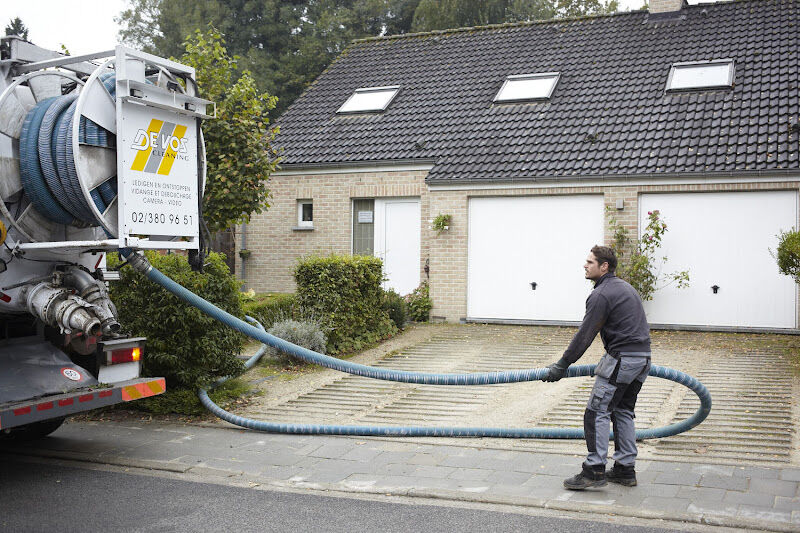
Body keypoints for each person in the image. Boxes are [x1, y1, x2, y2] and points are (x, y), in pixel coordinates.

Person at [542, 245, 651, 490]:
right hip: (642, 359)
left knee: (596, 411)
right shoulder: (625, 288)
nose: (585, 265)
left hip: (622, 360)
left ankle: (594, 470)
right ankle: (625, 469)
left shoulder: (601, 294)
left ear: (604, 267)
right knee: (622, 410)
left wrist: (562, 364)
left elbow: (585, 335)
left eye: (590, 262)